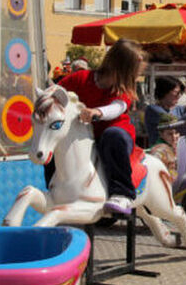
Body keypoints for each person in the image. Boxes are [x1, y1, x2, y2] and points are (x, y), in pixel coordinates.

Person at [57, 39, 146, 215]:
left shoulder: (123, 89)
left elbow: (118, 107)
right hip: (85, 136)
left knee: (112, 136)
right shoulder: (81, 78)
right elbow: (57, 91)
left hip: (116, 135)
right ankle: (55, 186)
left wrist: (97, 112)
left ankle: (123, 193)